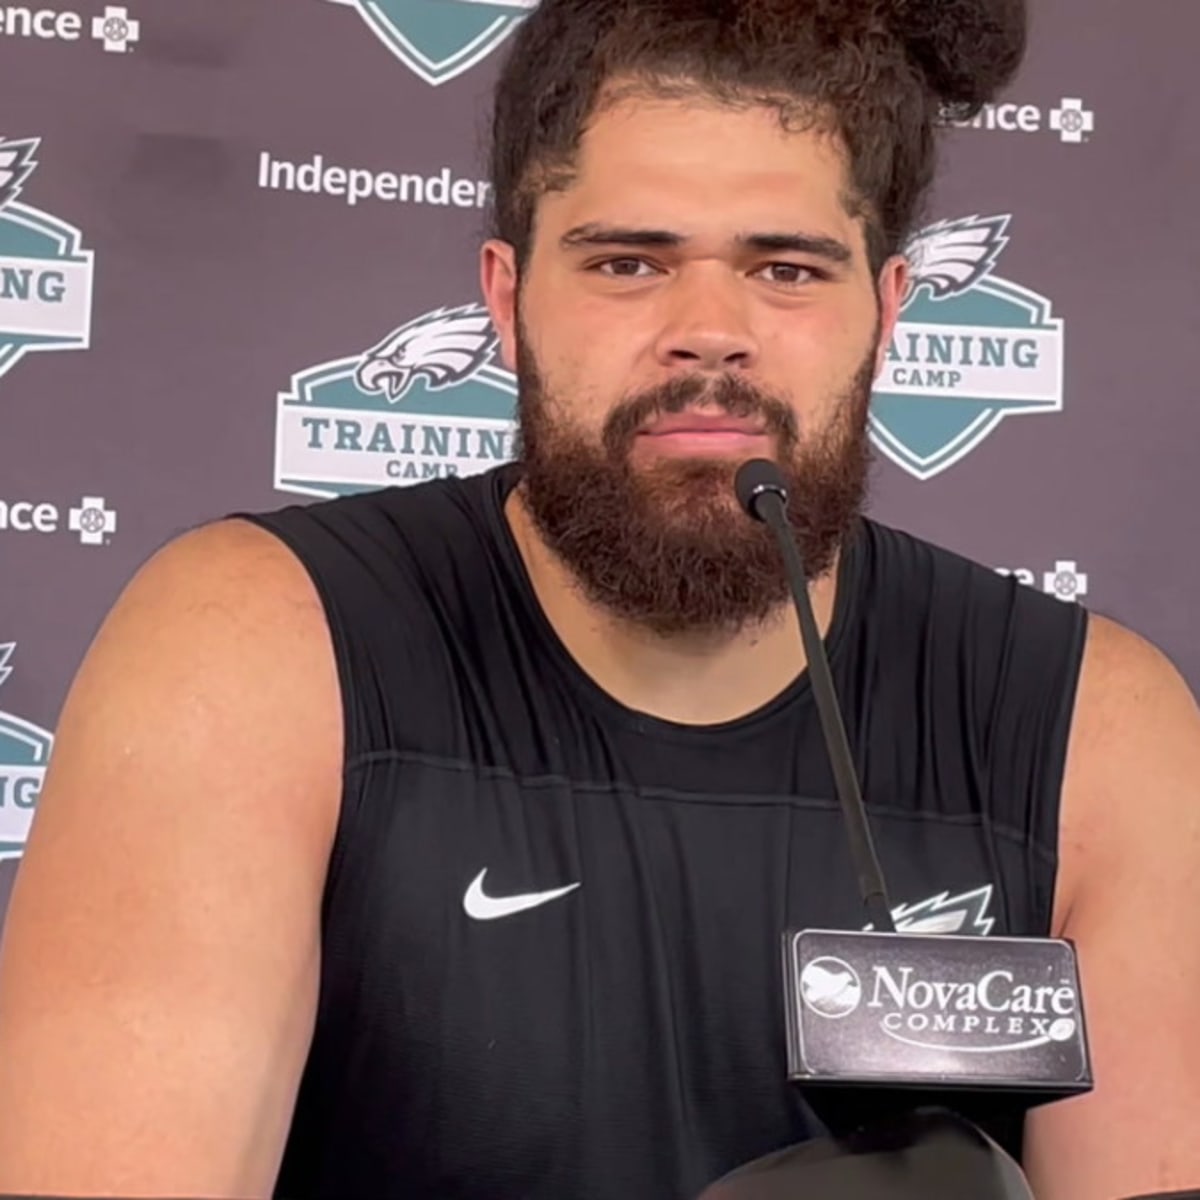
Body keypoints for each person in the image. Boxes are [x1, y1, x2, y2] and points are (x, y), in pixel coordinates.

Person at [0, 0, 1197, 1197]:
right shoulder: (257, 642)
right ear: (506, 301)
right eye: (630, 262)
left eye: (785, 269)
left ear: (885, 312)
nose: (710, 335)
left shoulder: (1099, 727)